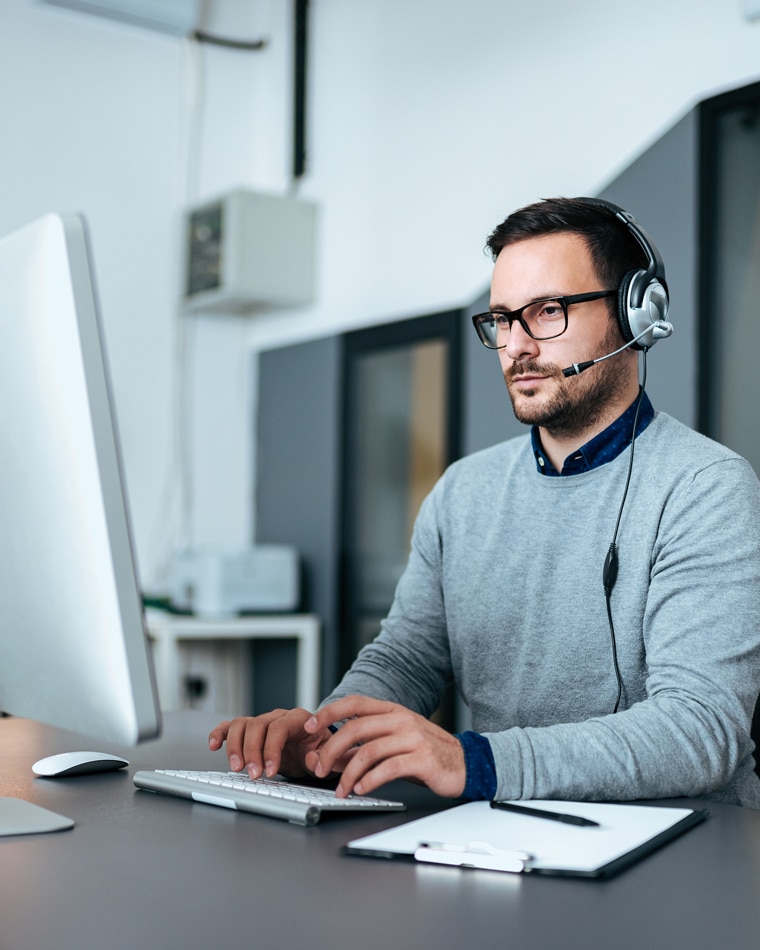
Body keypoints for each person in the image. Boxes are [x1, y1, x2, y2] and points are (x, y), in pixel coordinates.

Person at [209, 197, 760, 807]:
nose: (516, 345)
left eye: (547, 311)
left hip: (681, 857)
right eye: (502, 319)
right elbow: (407, 661)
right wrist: (323, 741)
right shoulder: (462, 492)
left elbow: (701, 729)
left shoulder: (706, 486)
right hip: (505, 833)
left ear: (634, 315)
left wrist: (473, 761)